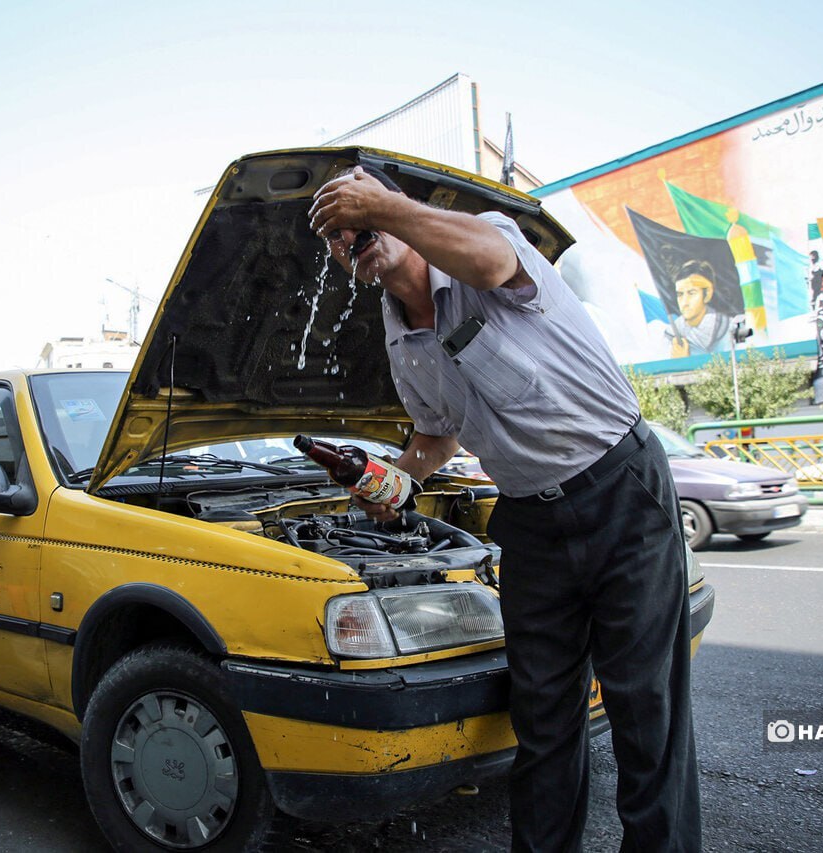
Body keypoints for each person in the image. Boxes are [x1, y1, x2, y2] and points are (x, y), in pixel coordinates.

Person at [309, 165, 701, 852]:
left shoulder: (484, 242)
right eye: (340, 234)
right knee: (544, 723)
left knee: (648, 714)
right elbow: (436, 433)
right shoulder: (400, 338)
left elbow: (494, 265)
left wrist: (386, 206)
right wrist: (396, 480)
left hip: (620, 492)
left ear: (402, 208)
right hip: (530, 521)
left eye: (361, 212)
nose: (354, 232)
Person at [668, 259, 735, 356]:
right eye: (680, 294)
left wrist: (684, 362)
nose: (684, 302)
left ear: (707, 294)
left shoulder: (729, 330)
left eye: (691, 293)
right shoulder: (670, 334)